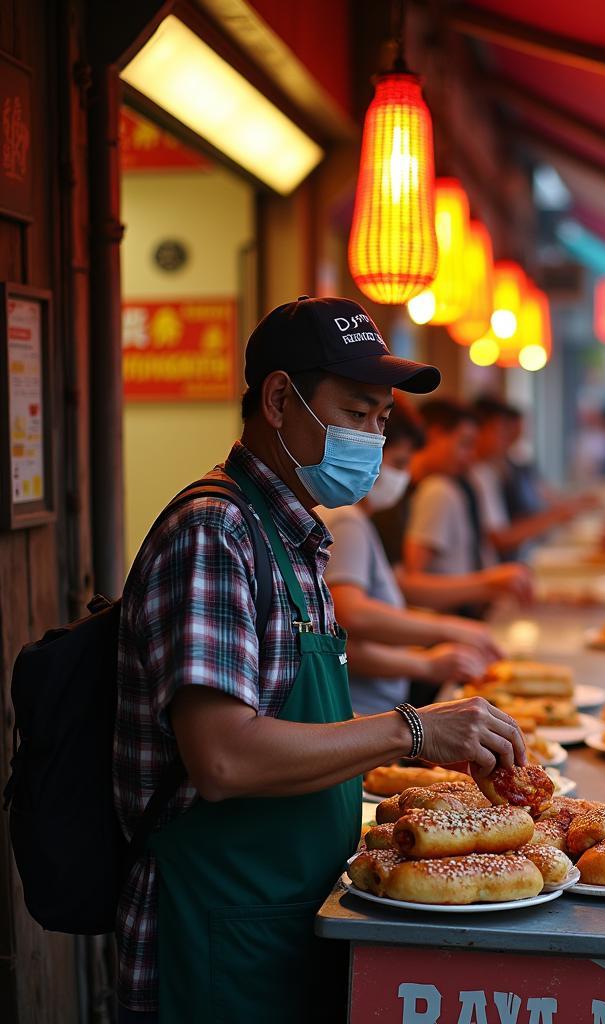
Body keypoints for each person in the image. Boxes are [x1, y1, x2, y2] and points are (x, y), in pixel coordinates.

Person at [114, 297, 527, 1023]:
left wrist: (428, 754)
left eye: (382, 420)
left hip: (290, 912)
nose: (372, 436)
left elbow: (297, 722)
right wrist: (412, 731)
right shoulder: (216, 534)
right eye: (357, 413)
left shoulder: (294, 537)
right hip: (217, 931)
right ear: (279, 399)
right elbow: (223, 758)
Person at [320, 400, 503, 715]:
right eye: (399, 463)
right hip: (362, 711)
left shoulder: (360, 519)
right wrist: (437, 646)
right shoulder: (346, 519)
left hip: (372, 709)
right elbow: (351, 618)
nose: (402, 476)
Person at [403, 399, 532, 613]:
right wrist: (488, 584)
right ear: (434, 435)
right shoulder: (437, 489)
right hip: (448, 616)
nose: (471, 455)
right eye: (464, 444)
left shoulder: (450, 485)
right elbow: (412, 577)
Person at [469, 396, 593, 560]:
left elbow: (545, 495)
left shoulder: (505, 468)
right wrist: (555, 515)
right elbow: (499, 538)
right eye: (500, 431)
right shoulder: (480, 474)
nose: (506, 438)